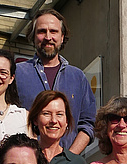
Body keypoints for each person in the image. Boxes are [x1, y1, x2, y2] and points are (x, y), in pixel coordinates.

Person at [16, 9, 96, 154]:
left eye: (53, 31)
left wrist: (69, 158)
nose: (48, 37)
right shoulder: (17, 74)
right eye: (41, 31)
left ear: (62, 36)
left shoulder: (78, 77)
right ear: (33, 36)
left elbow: (88, 124)